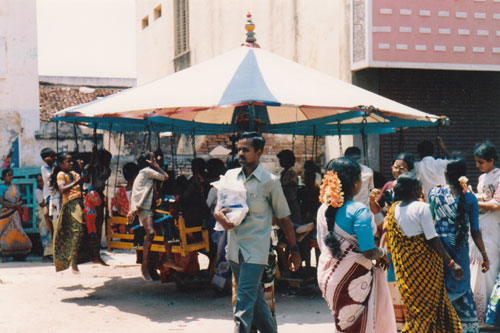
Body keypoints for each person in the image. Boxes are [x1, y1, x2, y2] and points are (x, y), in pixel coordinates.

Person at [214, 131, 301, 333]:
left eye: (246, 150)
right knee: (257, 302)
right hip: (234, 249)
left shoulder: (269, 181)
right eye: (239, 150)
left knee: (243, 304)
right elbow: (219, 206)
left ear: (259, 152)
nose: (241, 154)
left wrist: (294, 249)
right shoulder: (230, 177)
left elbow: (284, 218)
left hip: (256, 251)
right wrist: (219, 215)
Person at [315, 157, 396, 333]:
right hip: (351, 279)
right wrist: (382, 253)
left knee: (344, 325)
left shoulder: (323, 209)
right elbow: (368, 251)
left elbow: (324, 244)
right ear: (355, 182)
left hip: (328, 276)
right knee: (356, 327)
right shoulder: (359, 210)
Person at [385, 172, 463, 332]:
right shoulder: (423, 208)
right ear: (415, 190)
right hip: (427, 271)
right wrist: (451, 262)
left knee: (417, 311)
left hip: (407, 273)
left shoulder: (393, 209)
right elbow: (433, 239)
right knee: (426, 314)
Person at [428, 159, 490, 332]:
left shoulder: (434, 194)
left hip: (439, 250)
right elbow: (476, 232)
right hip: (460, 250)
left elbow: (429, 221)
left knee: (441, 289)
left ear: (446, 174)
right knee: (462, 289)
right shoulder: (470, 199)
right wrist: (485, 256)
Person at [128, 152, 180, 281]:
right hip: (144, 208)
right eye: (153, 160)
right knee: (150, 233)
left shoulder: (145, 173)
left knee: (168, 221)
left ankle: (169, 258)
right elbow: (166, 176)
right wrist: (156, 166)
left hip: (149, 208)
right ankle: (144, 266)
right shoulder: (146, 171)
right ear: (148, 162)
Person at [469, 141, 500, 325]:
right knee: (477, 266)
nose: (477, 166)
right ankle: (478, 315)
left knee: (489, 267)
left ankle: (490, 315)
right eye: (476, 162)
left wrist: (473, 202)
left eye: (481, 162)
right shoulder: (482, 179)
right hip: (480, 227)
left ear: (491, 160)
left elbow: (496, 205)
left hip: (493, 229)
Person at [51, 153, 85, 273]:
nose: (71, 163)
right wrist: (75, 182)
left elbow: (83, 180)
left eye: (71, 161)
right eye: (68, 161)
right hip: (71, 203)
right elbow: (62, 189)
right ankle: (73, 261)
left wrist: (82, 170)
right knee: (77, 229)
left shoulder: (73, 173)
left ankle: (75, 258)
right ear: (60, 164)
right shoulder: (61, 174)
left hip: (79, 202)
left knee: (81, 230)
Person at [83, 146, 111, 266]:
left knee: (97, 226)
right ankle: (92, 254)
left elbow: (100, 171)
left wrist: (96, 159)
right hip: (90, 198)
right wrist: (93, 158)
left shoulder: (105, 170)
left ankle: (96, 254)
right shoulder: (90, 168)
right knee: (91, 226)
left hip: (98, 197)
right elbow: (86, 172)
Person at [0, 168, 32, 262]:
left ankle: (19, 251)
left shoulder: (15, 186)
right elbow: (1, 201)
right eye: (8, 175)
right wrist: (14, 206)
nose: (10, 177)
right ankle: (4, 251)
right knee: (5, 231)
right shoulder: (1, 187)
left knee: (17, 229)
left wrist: (19, 204)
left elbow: (20, 198)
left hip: (15, 213)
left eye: (11, 175)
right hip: (6, 212)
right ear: (3, 177)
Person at [35, 174, 52, 259]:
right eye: (38, 181)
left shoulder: (47, 190)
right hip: (42, 214)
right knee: (44, 232)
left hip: (50, 212)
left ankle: (50, 252)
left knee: (50, 233)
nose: (40, 183)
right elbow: (41, 204)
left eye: (41, 181)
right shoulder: (38, 191)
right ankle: (46, 253)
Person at [40, 148, 56, 238]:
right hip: (49, 194)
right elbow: (50, 177)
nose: (54, 158)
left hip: (57, 193)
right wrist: (53, 165)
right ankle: (52, 233)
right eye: (52, 156)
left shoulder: (57, 165)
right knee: (46, 214)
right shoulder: (44, 168)